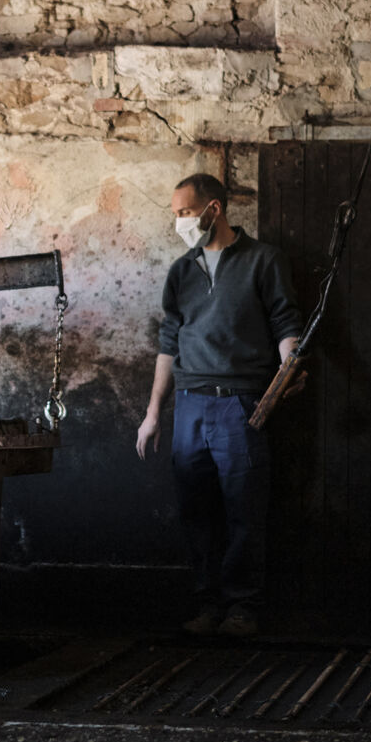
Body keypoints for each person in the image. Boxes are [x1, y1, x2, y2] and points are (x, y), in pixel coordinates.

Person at [135, 173, 302, 638]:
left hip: (241, 404)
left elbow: (285, 322)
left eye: (186, 213)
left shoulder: (264, 260)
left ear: (214, 209)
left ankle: (242, 608)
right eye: (175, 214)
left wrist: (289, 366)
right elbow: (169, 344)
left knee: (244, 511)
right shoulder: (181, 271)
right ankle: (208, 604)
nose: (180, 223)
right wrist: (153, 414)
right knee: (196, 511)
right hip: (190, 404)